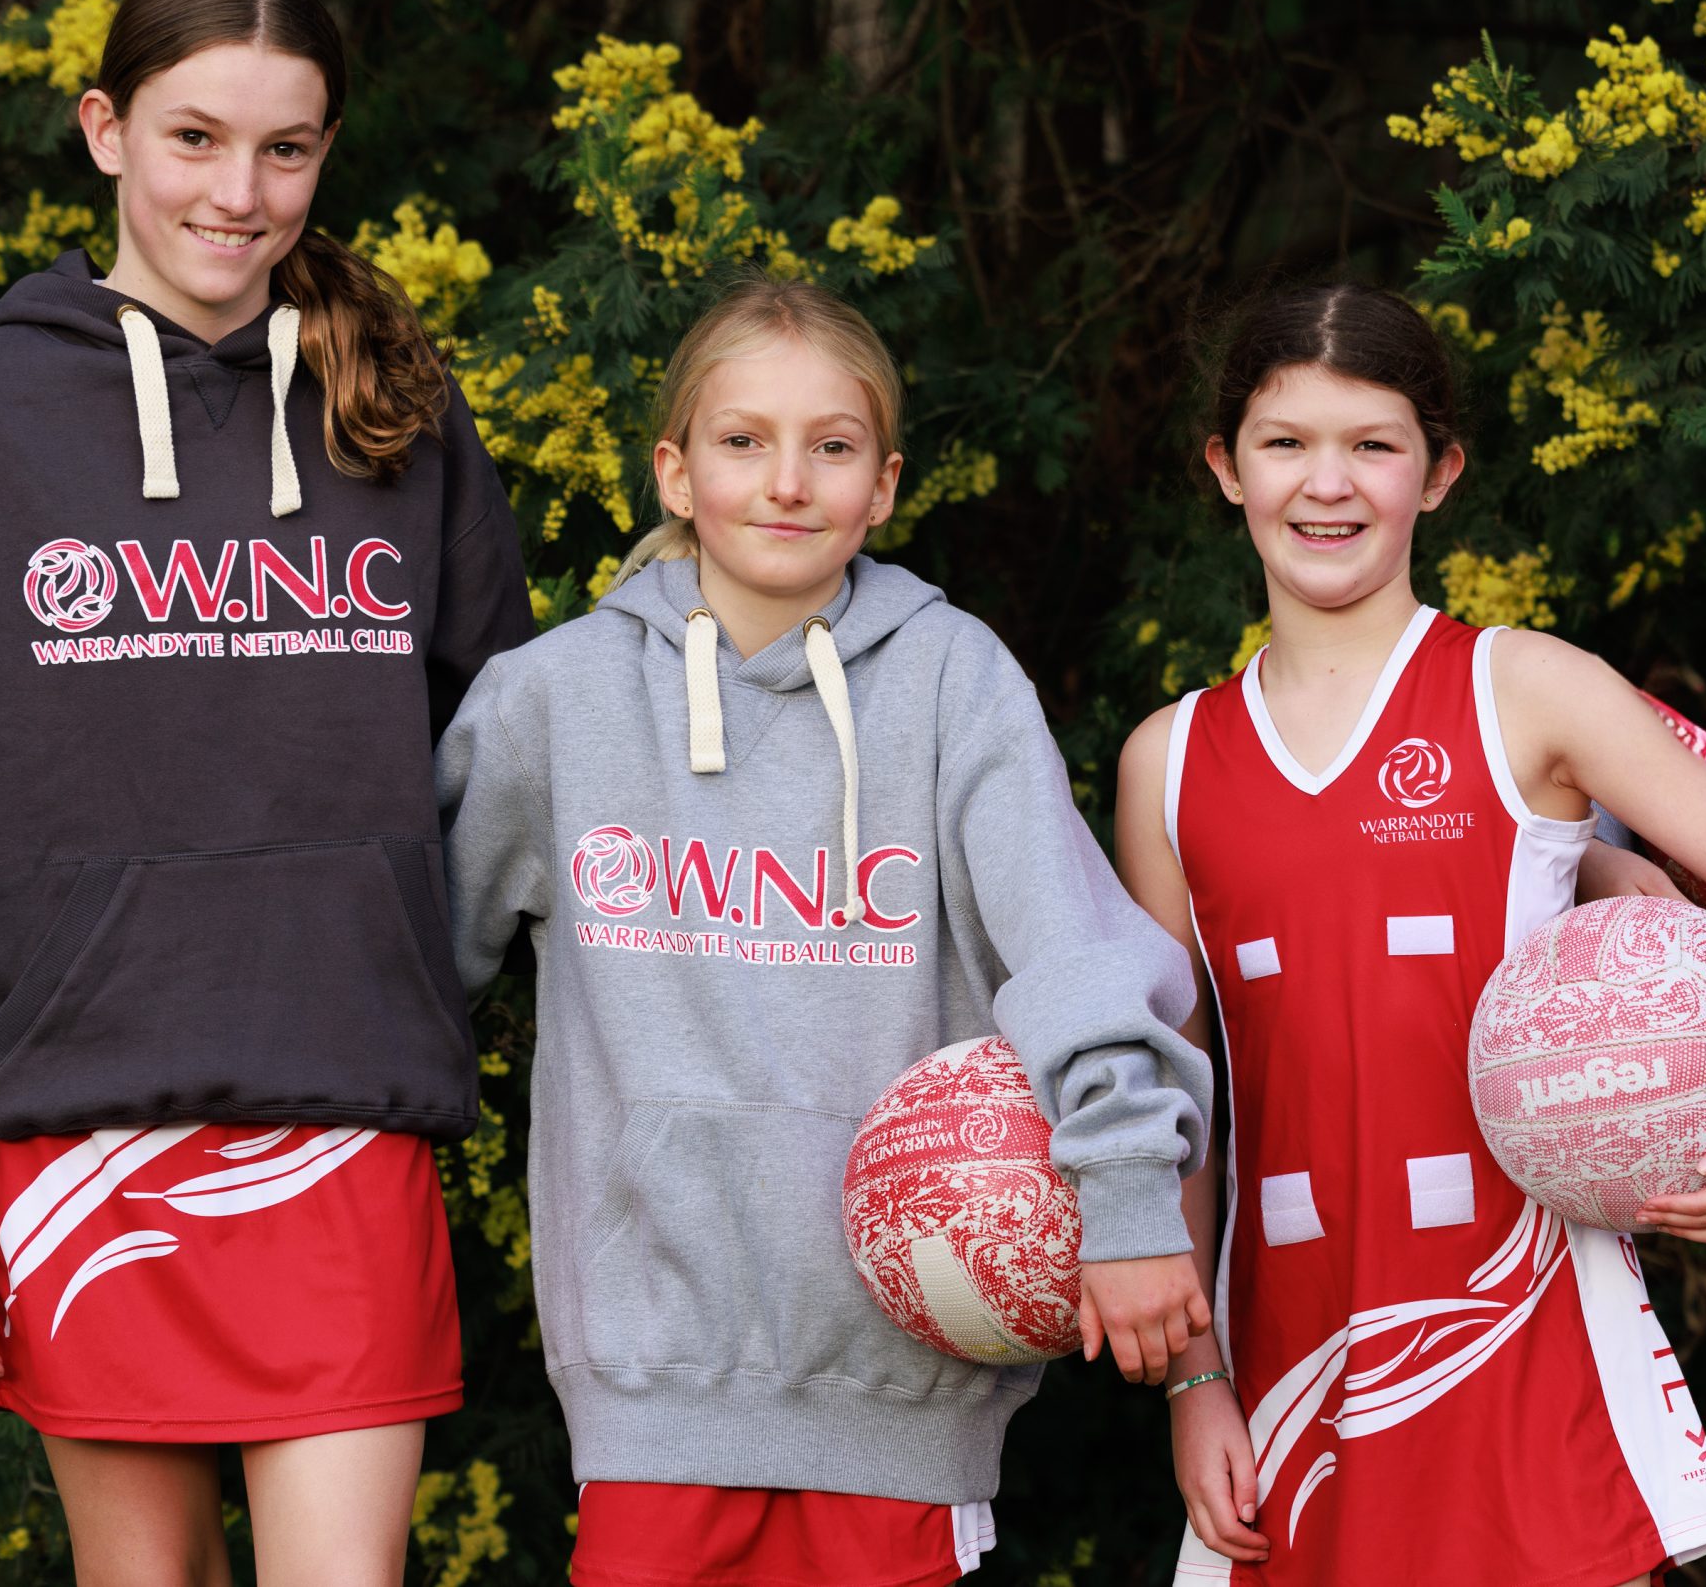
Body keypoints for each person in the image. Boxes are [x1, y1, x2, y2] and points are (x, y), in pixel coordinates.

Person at [0, 0, 534, 1587]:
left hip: (342, 1121)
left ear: (328, 155)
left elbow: (510, 774)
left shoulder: (398, 415)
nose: (242, 191)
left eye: (288, 147)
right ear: (105, 130)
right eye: (196, 137)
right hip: (76, 1129)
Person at [436, 276, 1215, 1587]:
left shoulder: (956, 679)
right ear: (676, 473)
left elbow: (1077, 958)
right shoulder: (552, 704)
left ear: (886, 485)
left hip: (908, 1378)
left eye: (831, 447)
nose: (786, 481)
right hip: (651, 1390)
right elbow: (397, 972)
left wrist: (1133, 1207)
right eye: (743, 442)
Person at [1114, 282, 1706, 1587]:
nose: (1327, 484)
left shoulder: (1526, 689)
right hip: (1292, 1368)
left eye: (1374, 444)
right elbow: (1176, 1105)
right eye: (1286, 443)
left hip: (1528, 1321)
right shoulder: (1167, 765)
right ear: (1225, 468)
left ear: (1440, 472)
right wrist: (1194, 1381)